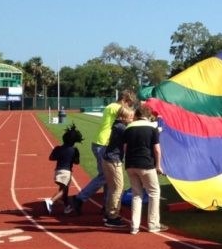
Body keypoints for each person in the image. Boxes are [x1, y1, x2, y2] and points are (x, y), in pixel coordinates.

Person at [71, 90, 137, 216]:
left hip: (101, 141)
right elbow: (128, 118)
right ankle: (79, 198)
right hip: (104, 143)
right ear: (124, 100)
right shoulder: (116, 108)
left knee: (109, 177)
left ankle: (107, 205)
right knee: (104, 176)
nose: (129, 107)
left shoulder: (111, 107)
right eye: (129, 104)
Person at [123, 104, 166, 234]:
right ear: (148, 115)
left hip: (131, 165)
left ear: (137, 114)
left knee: (137, 195)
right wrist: (158, 166)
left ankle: (134, 226)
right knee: (154, 193)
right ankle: (153, 224)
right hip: (146, 164)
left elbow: (125, 148)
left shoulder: (128, 128)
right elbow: (157, 150)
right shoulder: (152, 129)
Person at [101, 106, 135, 229]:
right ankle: (112, 217)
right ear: (123, 117)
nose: (132, 119)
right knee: (118, 189)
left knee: (112, 188)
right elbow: (133, 135)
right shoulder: (121, 127)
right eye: (130, 117)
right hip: (113, 160)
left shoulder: (117, 125)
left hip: (108, 159)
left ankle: (109, 213)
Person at [45, 125, 82, 215]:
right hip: (67, 172)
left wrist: (60, 156)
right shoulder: (74, 150)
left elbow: (51, 158)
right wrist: (74, 157)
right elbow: (77, 162)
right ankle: (51, 201)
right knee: (64, 190)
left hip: (57, 171)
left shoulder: (58, 148)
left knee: (63, 190)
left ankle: (66, 207)